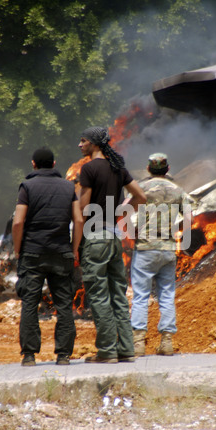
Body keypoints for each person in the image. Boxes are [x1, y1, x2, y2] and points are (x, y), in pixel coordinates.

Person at [78, 126, 146, 363]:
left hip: (94, 237)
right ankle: (126, 349)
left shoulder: (88, 169)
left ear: (94, 144)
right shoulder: (118, 168)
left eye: (83, 140)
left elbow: (83, 211)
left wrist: (76, 243)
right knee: (118, 293)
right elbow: (141, 197)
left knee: (98, 295)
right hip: (114, 237)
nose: (80, 145)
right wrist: (119, 215)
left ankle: (107, 351)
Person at [12, 147, 84, 366]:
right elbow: (79, 220)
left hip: (32, 253)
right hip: (61, 253)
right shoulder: (68, 186)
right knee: (64, 305)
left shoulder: (27, 186)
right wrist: (73, 250)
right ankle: (63, 356)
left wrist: (18, 251)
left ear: (33, 164)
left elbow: (18, 222)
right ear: (54, 164)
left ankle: (29, 356)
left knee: (30, 303)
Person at [130, 153, 192, 356]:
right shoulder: (178, 190)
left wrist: (134, 233)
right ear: (168, 168)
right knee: (166, 295)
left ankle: (138, 343)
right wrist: (177, 229)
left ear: (148, 169)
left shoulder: (140, 188)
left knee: (140, 296)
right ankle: (166, 342)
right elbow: (189, 218)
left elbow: (126, 213)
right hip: (167, 248)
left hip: (145, 248)